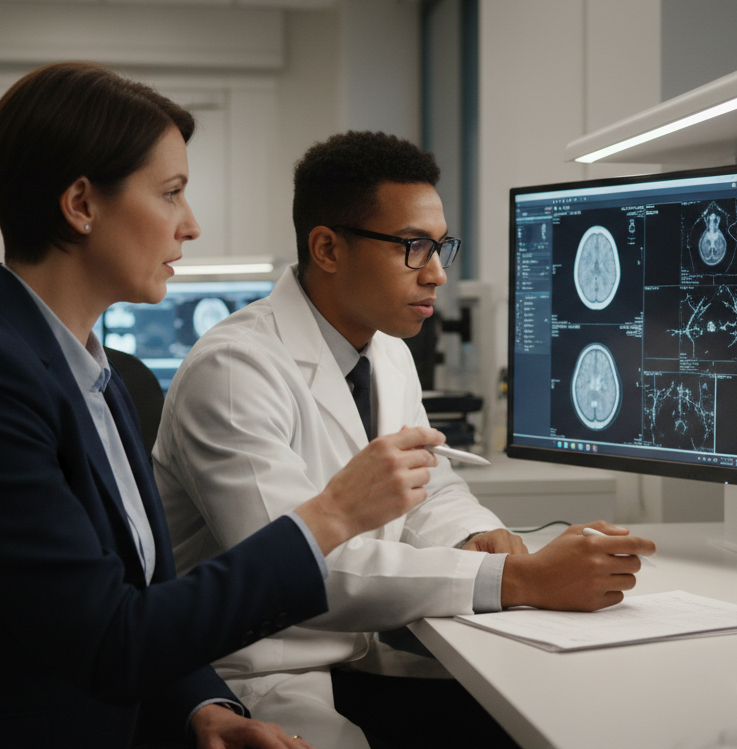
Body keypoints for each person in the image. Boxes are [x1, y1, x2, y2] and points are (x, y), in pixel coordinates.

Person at [0, 63, 450, 749]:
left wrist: (202, 708)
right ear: (82, 205)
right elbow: (108, 638)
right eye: (172, 193)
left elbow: (132, 602)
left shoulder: (92, 373)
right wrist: (331, 515)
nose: (192, 226)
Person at [153, 131, 657, 749]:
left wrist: (472, 534)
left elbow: (429, 485)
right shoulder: (233, 371)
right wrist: (517, 580)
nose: (439, 274)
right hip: (265, 668)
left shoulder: (385, 350)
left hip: (363, 650)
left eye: (441, 246)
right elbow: (295, 571)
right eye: (414, 248)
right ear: (328, 248)